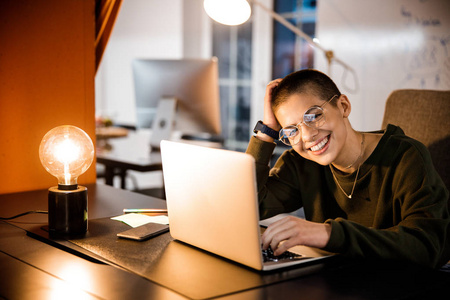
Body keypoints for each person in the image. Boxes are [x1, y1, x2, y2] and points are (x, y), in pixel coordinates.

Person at [246, 69, 450, 268]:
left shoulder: (406, 156)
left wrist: (328, 234)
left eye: (314, 115)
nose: (307, 136)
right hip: (332, 281)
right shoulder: (300, 162)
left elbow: (429, 246)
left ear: (343, 106)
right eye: (292, 131)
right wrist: (266, 132)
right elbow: (248, 205)